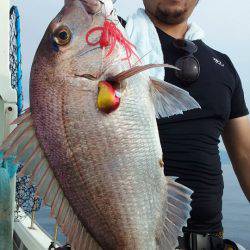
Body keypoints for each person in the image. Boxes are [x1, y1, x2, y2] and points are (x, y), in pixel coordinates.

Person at [117, 0, 250, 249]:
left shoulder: (224, 66)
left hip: (210, 241)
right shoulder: (110, 41)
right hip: (119, 236)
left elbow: (245, 155)